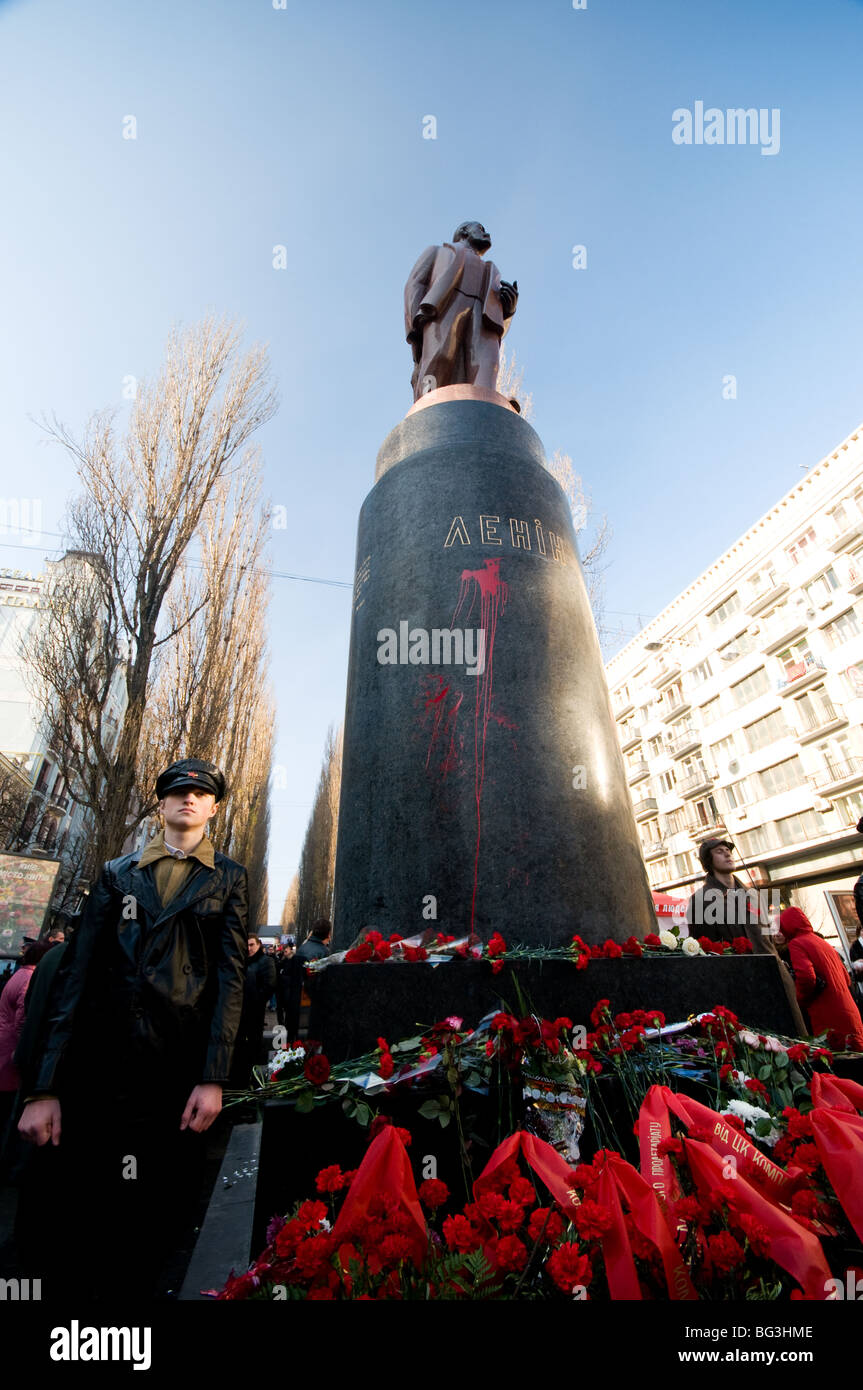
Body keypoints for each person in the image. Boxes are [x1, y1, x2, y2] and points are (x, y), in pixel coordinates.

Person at [15, 757, 249, 1300]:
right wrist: (45, 1086)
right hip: (97, 1070)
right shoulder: (116, 873)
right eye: (177, 790)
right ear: (161, 803)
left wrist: (214, 1077)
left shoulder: (229, 879)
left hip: (174, 1070)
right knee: (79, 1215)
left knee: (153, 1218)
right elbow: (75, 977)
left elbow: (229, 980)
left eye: (200, 792)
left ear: (213, 807)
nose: (188, 798)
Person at [404, 221, 518, 401]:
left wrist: (509, 310)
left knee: (487, 366)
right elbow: (415, 283)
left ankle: (488, 406)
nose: (486, 233)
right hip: (444, 308)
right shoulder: (437, 252)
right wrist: (416, 328)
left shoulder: (490, 269)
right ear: (464, 231)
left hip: (483, 316)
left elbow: (499, 328)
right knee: (438, 361)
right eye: (480, 229)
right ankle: (425, 408)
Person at [778, 907, 863, 1050]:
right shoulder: (822, 942)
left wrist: (799, 1001)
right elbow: (846, 978)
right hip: (850, 1013)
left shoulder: (796, 943)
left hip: (827, 1015)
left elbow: (806, 978)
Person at [685, 839, 772, 952]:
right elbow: (704, 951)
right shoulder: (701, 900)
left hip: (772, 967)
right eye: (719, 851)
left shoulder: (754, 896)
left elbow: (769, 940)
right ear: (708, 860)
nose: (727, 854)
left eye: (728, 850)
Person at [229, 934, 277, 1086]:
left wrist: (255, 1002)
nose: (249, 948)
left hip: (254, 1012)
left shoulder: (266, 961)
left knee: (252, 1046)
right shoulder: (242, 961)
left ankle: (251, 1078)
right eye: (247, 945)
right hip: (238, 1012)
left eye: (252, 945)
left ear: (258, 945)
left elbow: (269, 985)